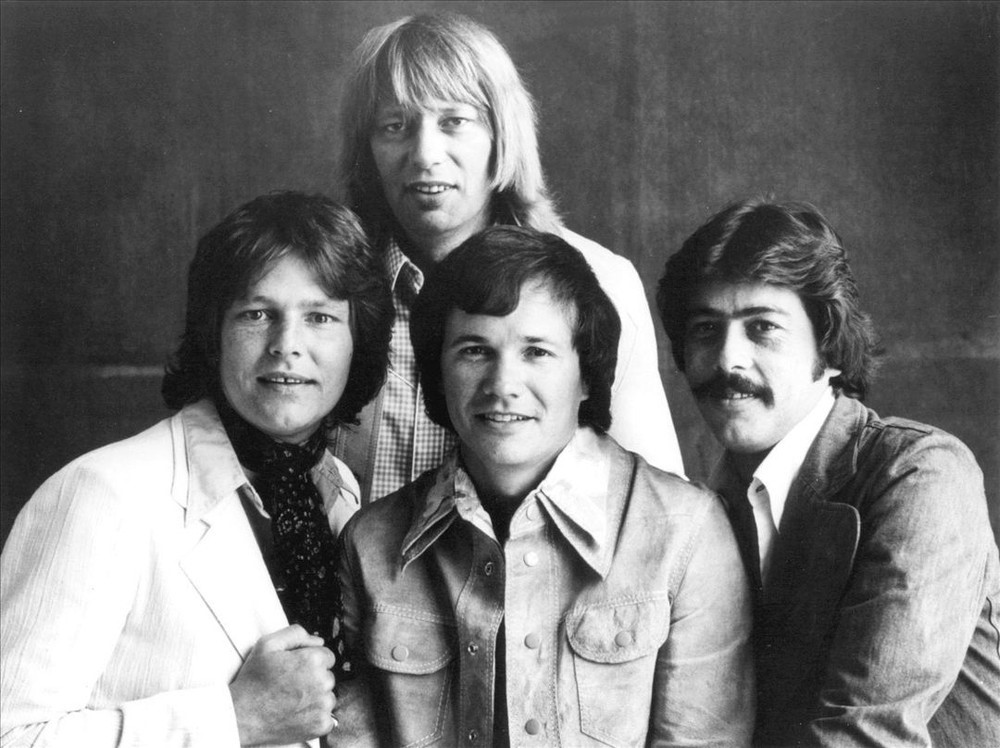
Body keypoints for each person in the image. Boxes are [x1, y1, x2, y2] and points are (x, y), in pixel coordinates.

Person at [0, 192, 393, 747]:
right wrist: (233, 718)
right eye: (257, 314)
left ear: (358, 342)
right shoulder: (102, 495)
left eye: (320, 317)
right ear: (214, 336)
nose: (287, 345)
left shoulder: (337, 492)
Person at [336, 226, 753, 747]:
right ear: (437, 373)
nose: (503, 384)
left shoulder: (687, 533)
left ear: (587, 375)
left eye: (536, 351)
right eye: (474, 350)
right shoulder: (371, 543)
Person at [657, 197, 1000, 747]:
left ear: (832, 349)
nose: (727, 360)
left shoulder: (920, 474)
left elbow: (866, 734)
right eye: (704, 330)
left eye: (762, 327)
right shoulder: (699, 510)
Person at [333, 11, 683, 502]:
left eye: (455, 121)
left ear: (502, 136)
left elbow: (657, 508)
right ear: (366, 150)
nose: (425, 154)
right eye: (394, 126)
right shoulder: (329, 285)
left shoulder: (600, 281)